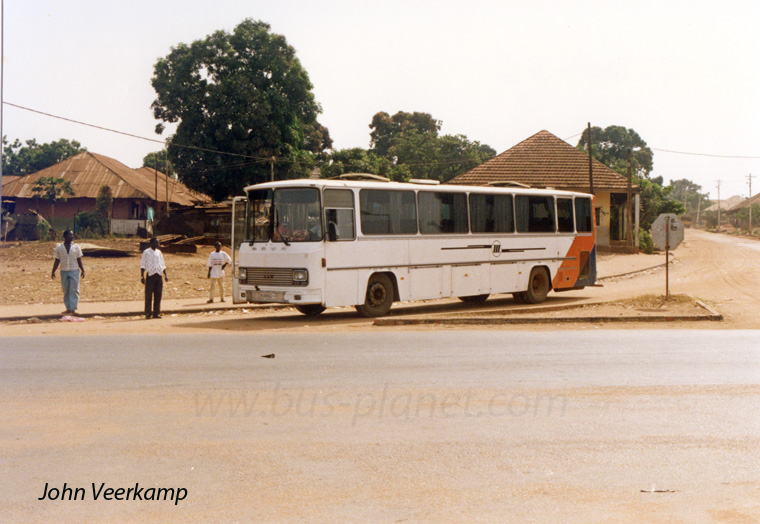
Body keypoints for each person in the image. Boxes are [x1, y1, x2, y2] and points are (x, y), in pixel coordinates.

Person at [51, 230, 85, 315]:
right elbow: (57, 260)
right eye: (70, 235)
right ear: (65, 236)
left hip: (74, 270)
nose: (72, 237)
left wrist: (82, 270)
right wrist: (53, 271)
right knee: (66, 289)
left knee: (74, 289)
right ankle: (68, 308)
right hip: (64, 271)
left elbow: (79, 259)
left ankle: (73, 308)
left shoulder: (76, 247)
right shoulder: (59, 248)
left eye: (72, 235)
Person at [140, 237, 168, 319]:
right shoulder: (146, 252)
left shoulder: (159, 252)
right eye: (156, 242)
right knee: (148, 295)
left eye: (158, 242)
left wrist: (165, 275)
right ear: (151, 243)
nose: (157, 244)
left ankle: (156, 313)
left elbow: (162, 264)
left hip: (158, 275)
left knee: (158, 295)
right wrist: (142, 276)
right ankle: (148, 313)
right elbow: (143, 265)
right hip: (150, 275)